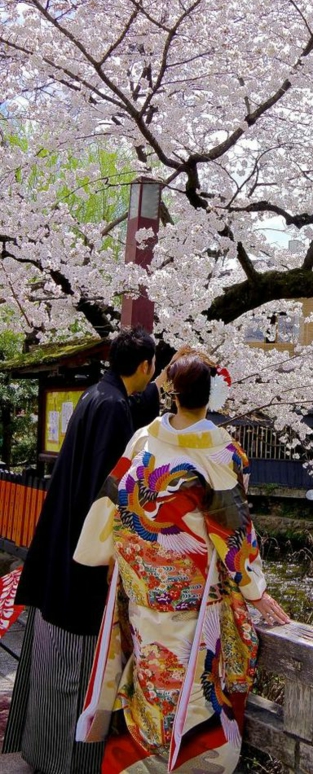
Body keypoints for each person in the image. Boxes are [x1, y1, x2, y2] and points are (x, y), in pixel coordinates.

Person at [74, 348, 289, 774]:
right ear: (212, 394)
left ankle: (138, 763)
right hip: (191, 602)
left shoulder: (143, 439)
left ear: (171, 392)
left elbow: (110, 502)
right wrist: (255, 590)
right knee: (188, 688)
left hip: (141, 593)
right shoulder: (221, 453)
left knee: (146, 680)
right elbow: (234, 533)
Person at [3, 326, 166, 774]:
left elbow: (133, 412)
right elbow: (109, 492)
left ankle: (39, 748)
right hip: (82, 555)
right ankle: (66, 761)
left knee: (51, 663)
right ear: (145, 365)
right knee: (77, 668)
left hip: (58, 543)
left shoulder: (98, 395)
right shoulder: (113, 409)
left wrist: (156, 390)